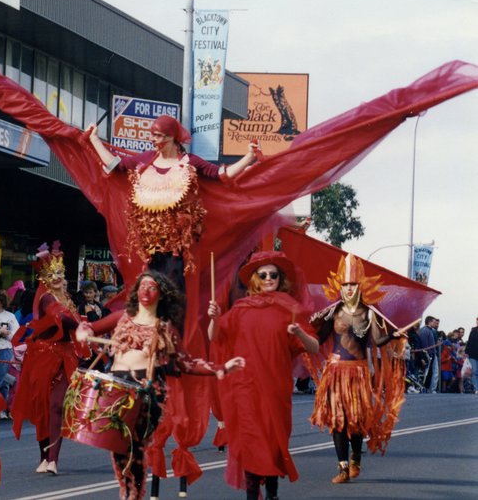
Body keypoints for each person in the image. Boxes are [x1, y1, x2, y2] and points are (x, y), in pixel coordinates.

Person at [76, 272, 245, 500]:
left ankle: (132, 495)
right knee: (120, 454)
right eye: (142, 286)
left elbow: (186, 363)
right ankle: (130, 492)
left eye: (152, 287)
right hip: (115, 391)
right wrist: (83, 331)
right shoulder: (123, 317)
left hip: (146, 394)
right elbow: (90, 328)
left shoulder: (165, 329)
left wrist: (221, 367)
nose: (146, 291)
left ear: (162, 295)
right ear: (136, 292)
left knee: (134, 450)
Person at [86, 115, 257, 291]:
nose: (152, 139)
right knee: (149, 290)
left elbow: (222, 174)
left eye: (158, 135)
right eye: (152, 135)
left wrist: (249, 157)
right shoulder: (145, 159)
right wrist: (94, 139)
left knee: (172, 293)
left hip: (177, 249)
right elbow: (116, 165)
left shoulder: (189, 161)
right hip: (148, 248)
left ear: (171, 137)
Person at [207, 250, 319, 500]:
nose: (269, 278)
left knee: (272, 441)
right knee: (250, 441)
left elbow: (314, 347)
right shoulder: (240, 309)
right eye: (263, 274)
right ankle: (252, 496)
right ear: (255, 279)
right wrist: (213, 319)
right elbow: (214, 336)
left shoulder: (290, 309)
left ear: (280, 279)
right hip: (245, 387)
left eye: (274, 275)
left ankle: (271, 494)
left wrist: (299, 332)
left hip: (275, 388)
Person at [308, 253, 406, 483]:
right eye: (345, 285)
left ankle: (355, 460)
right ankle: (342, 468)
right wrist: (311, 326)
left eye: (353, 285)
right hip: (334, 372)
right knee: (338, 421)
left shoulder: (370, 313)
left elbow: (377, 341)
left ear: (360, 287)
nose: (349, 289)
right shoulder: (333, 312)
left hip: (359, 373)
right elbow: (319, 340)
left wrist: (393, 335)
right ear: (340, 288)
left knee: (357, 420)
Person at [10, 241, 86, 475]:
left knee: (56, 405)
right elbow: (59, 316)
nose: (57, 278)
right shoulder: (46, 298)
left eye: (60, 273)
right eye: (52, 274)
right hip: (43, 358)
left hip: (65, 358)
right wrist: (82, 325)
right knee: (42, 408)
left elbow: (70, 320)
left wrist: (87, 329)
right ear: (44, 277)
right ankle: (44, 457)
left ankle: (53, 459)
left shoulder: (68, 298)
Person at [417, 316, 440, 393]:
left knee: (434, 372)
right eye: (433, 322)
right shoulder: (424, 331)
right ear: (429, 322)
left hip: (432, 354)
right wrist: (427, 355)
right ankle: (428, 388)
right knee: (427, 373)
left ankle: (432, 388)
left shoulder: (431, 331)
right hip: (428, 355)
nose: (435, 323)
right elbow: (424, 345)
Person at [466, 317, 478, 394]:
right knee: (474, 371)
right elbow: (469, 341)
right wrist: (467, 352)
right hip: (473, 354)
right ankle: (476, 388)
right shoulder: (473, 330)